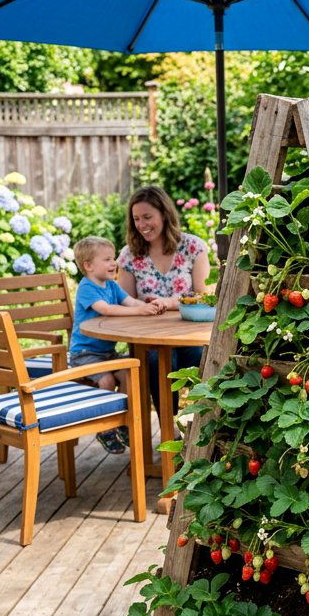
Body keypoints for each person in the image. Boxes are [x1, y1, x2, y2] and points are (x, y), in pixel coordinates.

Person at [117, 185, 211, 413]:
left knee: (206, 361)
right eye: (136, 219)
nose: (142, 225)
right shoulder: (130, 255)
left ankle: (205, 426)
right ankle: (170, 430)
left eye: (147, 217)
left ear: (164, 214)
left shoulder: (192, 247)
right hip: (148, 339)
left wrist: (169, 303)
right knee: (155, 362)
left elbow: (204, 295)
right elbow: (124, 300)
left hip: (187, 337)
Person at [69, 236, 163, 453]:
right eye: (107, 259)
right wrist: (139, 311)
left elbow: (131, 302)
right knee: (108, 380)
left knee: (131, 375)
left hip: (107, 353)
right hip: (84, 353)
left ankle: (124, 422)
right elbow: (107, 309)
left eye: (113, 259)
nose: (114, 264)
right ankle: (106, 428)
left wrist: (150, 307)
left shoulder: (111, 285)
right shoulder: (87, 288)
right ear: (89, 266)